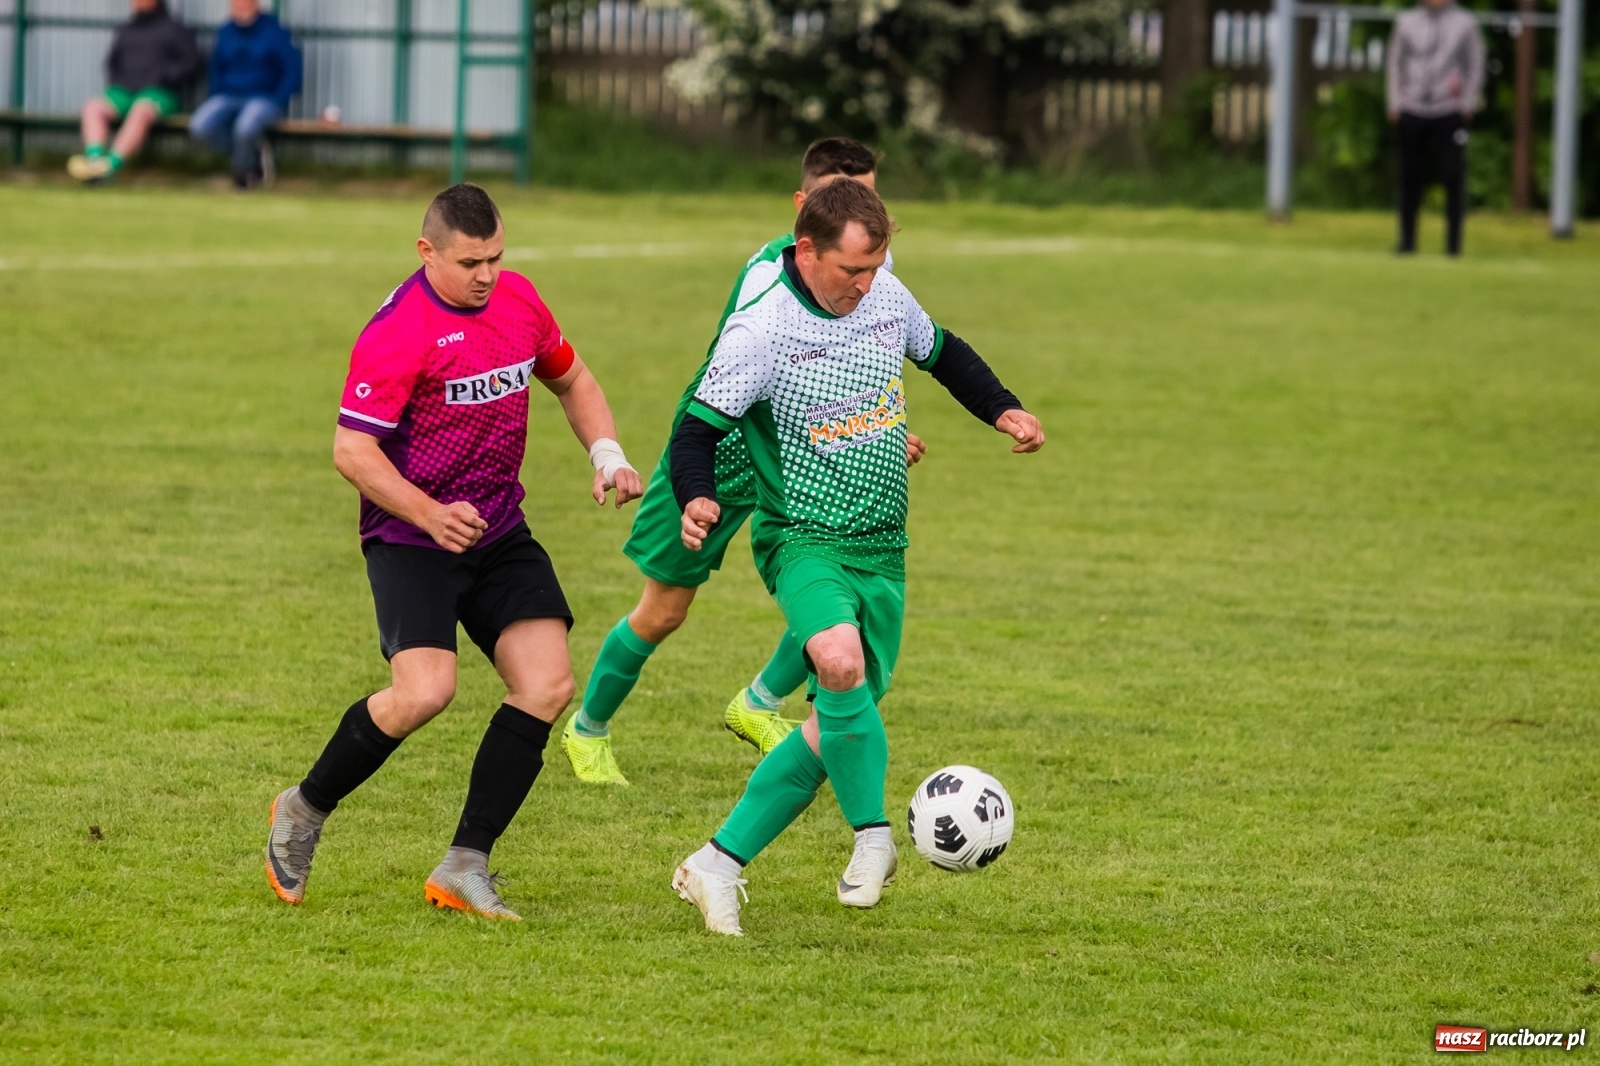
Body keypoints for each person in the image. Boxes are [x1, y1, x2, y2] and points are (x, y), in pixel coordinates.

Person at [667, 180, 1044, 936]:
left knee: (829, 730)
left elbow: (944, 353)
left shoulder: (884, 298)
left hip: (884, 546)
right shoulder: (762, 329)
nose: (865, 286)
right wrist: (697, 497)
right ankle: (874, 838)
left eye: (874, 269)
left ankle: (716, 864)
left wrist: (1001, 405)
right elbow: (695, 429)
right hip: (801, 537)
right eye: (851, 271)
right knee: (837, 663)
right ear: (806, 250)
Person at [263, 184, 644, 921]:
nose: (486, 275)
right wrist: (430, 515)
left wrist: (606, 453)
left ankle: (466, 864)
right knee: (424, 693)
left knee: (547, 684)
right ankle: (303, 808)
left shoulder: (520, 304)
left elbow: (573, 378)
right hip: (412, 536)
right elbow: (353, 450)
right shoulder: (398, 332)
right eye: (471, 261)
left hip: (498, 527)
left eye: (497, 258)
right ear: (426, 251)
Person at [559, 137, 926, 786]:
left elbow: (858, 362)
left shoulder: (869, 269)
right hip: (717, 456)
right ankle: (587, 729)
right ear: (805, 208)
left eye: (872, 195)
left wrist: (881, 430)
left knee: (833, 584)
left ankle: (756, 704)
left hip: (798, 459)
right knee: (665, 610)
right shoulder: (769, 278)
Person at [1386, 0, 1484, 256]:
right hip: (1412, 107)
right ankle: (1407, 243)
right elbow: (1395, 64)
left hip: (1448, 110)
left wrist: (1467, 103)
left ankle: (1453, 246)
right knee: (1409, 177)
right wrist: (1395, 102)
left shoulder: (1465, 24)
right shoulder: (1406, 22)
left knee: (1453, 175)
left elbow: (1474, 66)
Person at [66, 0, 201, 185]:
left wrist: (163, 77)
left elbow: (191, 63)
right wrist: (120, 81)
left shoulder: (175, 29)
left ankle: (110, 167)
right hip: (123, 92)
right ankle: (94, 162)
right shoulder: (126, 29)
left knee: (141, 109)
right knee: (93, 107)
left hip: (160, 93)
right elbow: (111, 63)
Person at [189, 0, 302, 190]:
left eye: (243, 6)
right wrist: (217, 92)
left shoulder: (274, 32)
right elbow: (215, 67)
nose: (239, 10)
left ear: (255, 6)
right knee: (200, 127)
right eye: (235, 6)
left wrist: (279, 98)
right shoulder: (225, 32)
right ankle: (253, 154)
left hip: (264, 98)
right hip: (229, 95)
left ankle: (243, 177)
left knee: (245, 127)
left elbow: (292, 69)